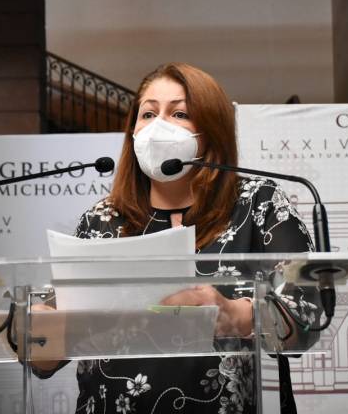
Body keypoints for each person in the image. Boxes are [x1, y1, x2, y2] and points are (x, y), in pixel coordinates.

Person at [43, 63, 318, 414]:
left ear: (211, 130)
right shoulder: (101, 220)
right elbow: (49, 350)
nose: (158, 127)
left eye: (179, 113)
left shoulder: (258, 203)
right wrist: (38, 329)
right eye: (148, 114)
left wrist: (236, 315)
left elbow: (307, 315)